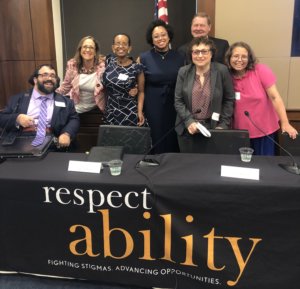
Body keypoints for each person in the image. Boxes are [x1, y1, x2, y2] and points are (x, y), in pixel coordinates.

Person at [224, 41, 298, 155]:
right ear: (229, 58)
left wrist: (285, 122)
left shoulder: (260, 70)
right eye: (235, 56)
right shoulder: (226, 75)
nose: (239, 60)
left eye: (244, 56)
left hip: (264, 132)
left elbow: (275, 98)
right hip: (239, 133)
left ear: (249, 58)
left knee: (265, 166)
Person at [174, 37, 235, 153]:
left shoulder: (222, 71)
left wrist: (223, 125)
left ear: (211, 54)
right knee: (189, 166)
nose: (200, 55)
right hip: (188, 129)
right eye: (196, 52)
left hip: (213, 127)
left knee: (210, 166)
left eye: (204, 51)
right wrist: (189, 121)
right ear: (191, 54)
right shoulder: (183, 72)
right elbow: (178, 101)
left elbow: (229, 100)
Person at [0, 64, 80, 149]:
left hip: (53, 143)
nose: (49, 78)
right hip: (20, 141)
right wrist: (17, 118)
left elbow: (74, 119)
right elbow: (2, 118)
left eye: (53, 76)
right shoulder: (18, 99)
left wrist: (66, 133)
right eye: (44, 75)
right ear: (35, 80)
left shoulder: (66, 102)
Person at [139, 19, 185, 154]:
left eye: (163, 34)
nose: (160, 38)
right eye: (156, 36)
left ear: (169, 36)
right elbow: (140, 87)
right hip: (153, 103)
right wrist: (140, 109)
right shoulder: (143, 58)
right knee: (156, 134)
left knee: (173, 134)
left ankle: (172, 167)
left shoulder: (181, 56)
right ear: (151, 40)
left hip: (175, 103)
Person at [102, 33, 146, 126]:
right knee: (111, 140)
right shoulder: (108, 61)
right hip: (111, 111)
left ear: (129, 48)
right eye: (117, 43)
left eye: (124, 44)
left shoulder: (137, 67)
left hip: (129, 112)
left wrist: (139, 111)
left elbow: (141, 92)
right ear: (113, 47)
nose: (120, 46)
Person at [56, 35, 105, 114]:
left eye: (91, 47)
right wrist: (50, 95)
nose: (88, 50)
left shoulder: (102, 66)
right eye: (85, 47)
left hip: (97, 105)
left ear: (95, 51)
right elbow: (65, 86)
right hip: (76, 105)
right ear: (80, 50)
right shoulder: (72, 65)